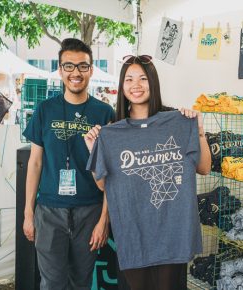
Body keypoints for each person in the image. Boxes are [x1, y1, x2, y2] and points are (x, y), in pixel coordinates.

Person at [85, 55, 211, 290]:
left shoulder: (178, 121)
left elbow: (203, 168)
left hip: (173, 230)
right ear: (122, 86)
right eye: (129, 79)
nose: (136, 85)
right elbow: (103, 185)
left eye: (143, 78)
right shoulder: (112, 133)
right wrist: (94, 150)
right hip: (134, 231)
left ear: (153, 83)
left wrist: (199, 129)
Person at [22, 38, 114, 290]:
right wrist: (28, 213)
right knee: (51, 283)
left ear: (91, 70)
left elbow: (112, 173)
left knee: (81, 283)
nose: (76, 73)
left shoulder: (105, 113)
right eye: (69, 66)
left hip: (90, 211)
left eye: (83, 66)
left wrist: (103, 220)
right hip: (50, 211)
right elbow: (35, 164)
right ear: (60, 69)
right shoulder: (44, 110)